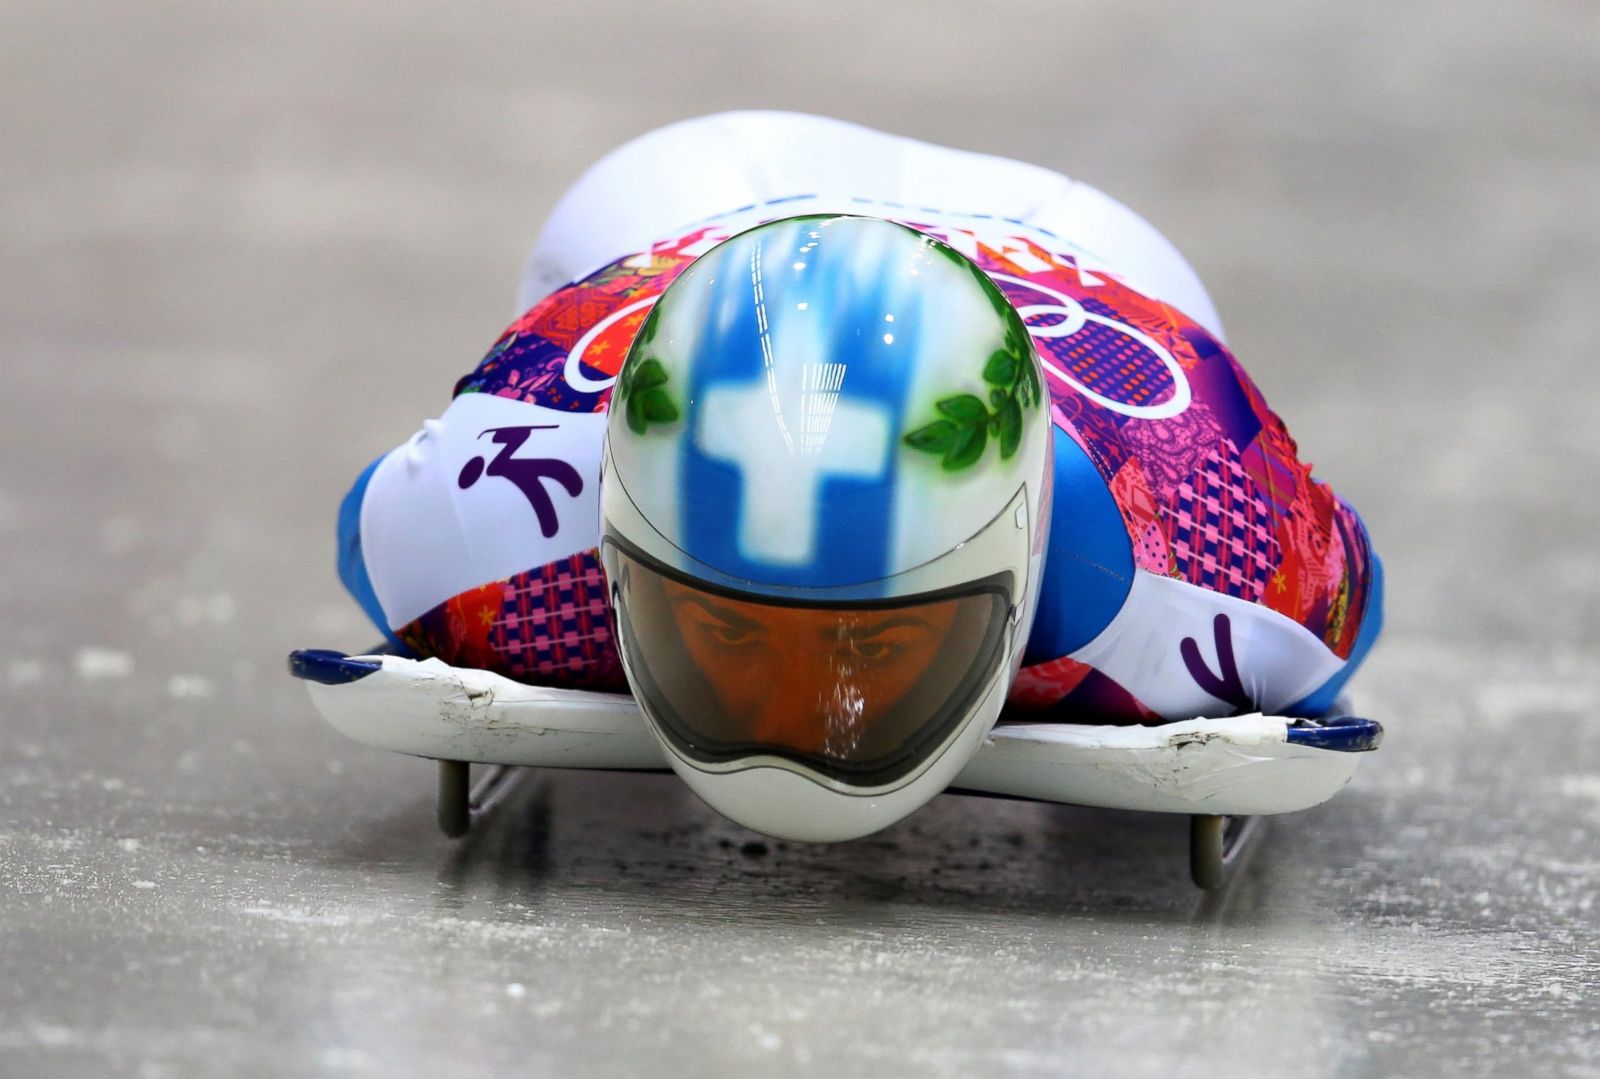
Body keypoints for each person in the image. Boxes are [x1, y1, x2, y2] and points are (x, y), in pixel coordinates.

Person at [337, 110, 1382, 742]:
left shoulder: (1206, 542)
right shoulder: (495, 520)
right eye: (730, 630)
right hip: (690, 207)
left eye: (872, 644)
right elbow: (1348, 632)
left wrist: (710, 635)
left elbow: (360, 522)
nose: (798, 713)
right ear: (612, 538)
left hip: (1083, 256)